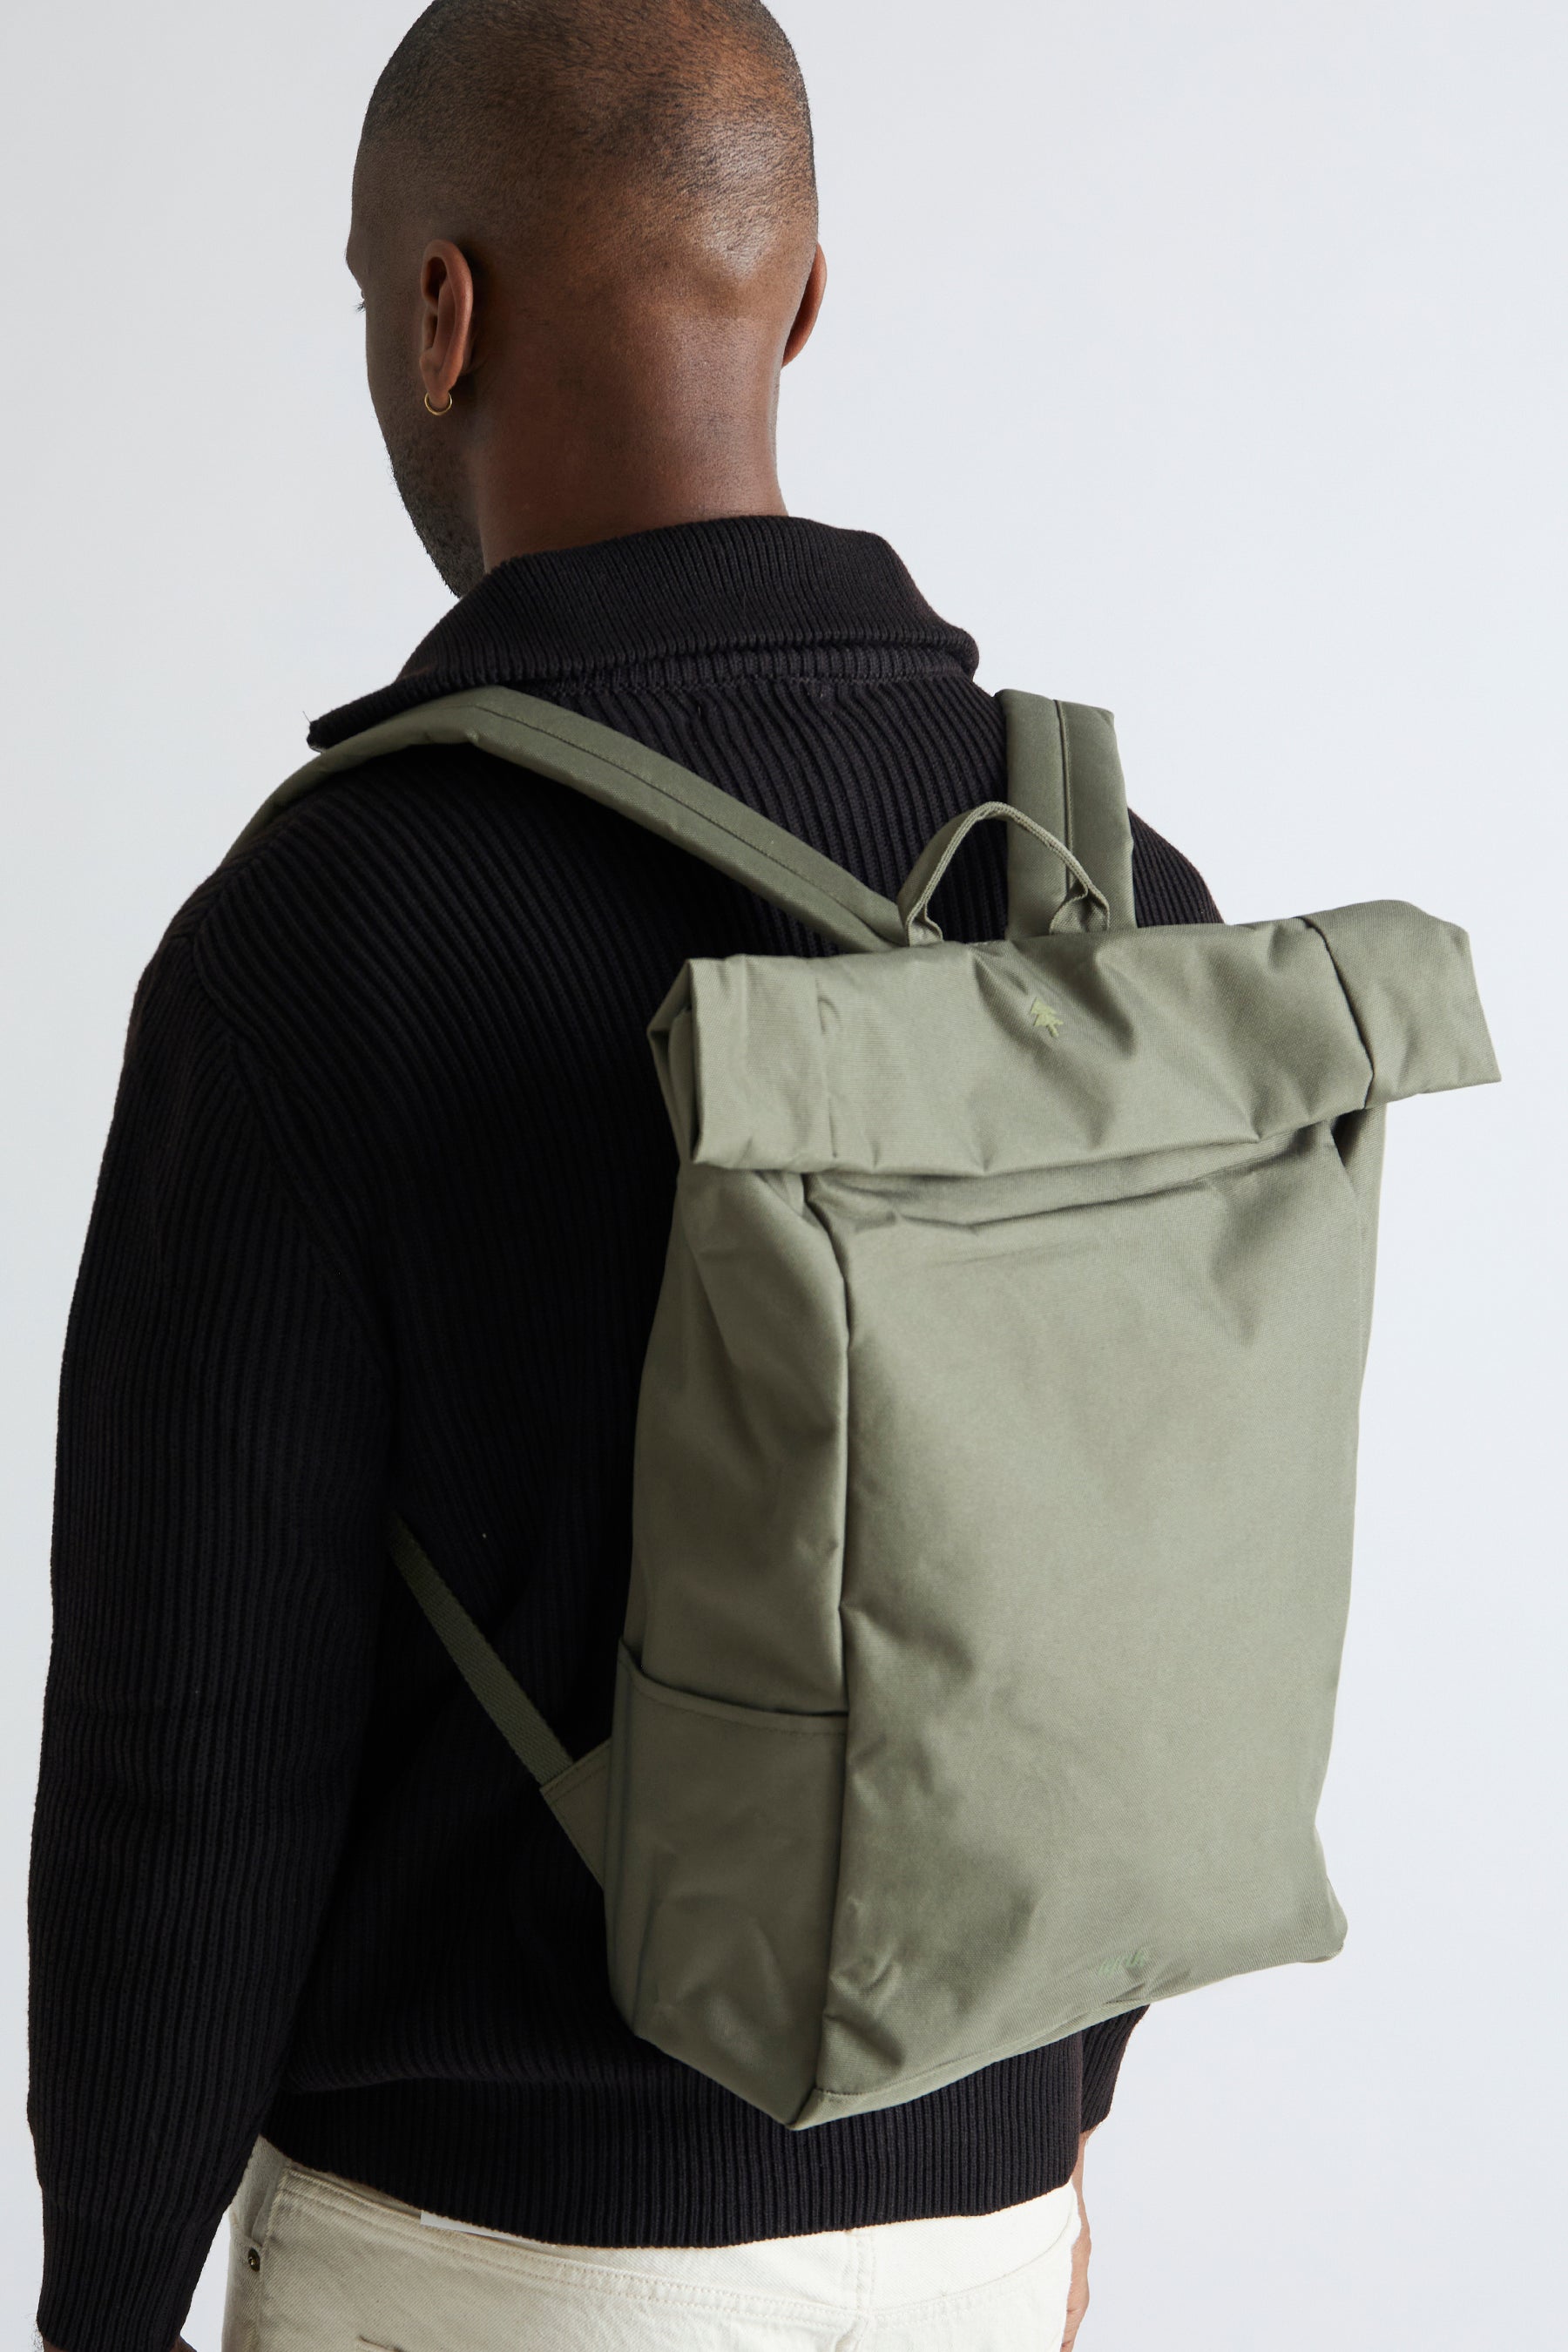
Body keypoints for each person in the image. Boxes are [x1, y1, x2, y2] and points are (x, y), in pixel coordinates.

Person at [30, 4, 1220, 2349]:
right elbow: (1141, 1610)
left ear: (439, 313)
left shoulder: (326, 933)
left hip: (491, 2267)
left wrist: (106, 2300)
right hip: (996, 2246)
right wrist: (1027, 2147)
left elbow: (193, 1755)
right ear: (802, 296)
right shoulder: (1106, 890)